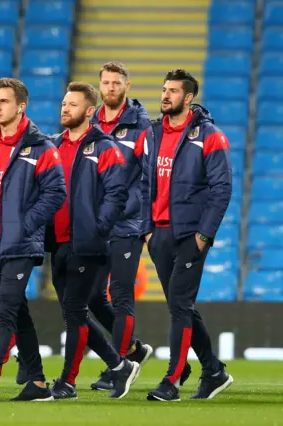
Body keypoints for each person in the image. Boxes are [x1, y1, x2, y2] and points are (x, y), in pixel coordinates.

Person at [0, 78, 66, 402]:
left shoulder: (41, 148)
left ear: (21, 106)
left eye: (3, 101)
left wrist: (25, 225)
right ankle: (36, 382)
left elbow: (56, 193)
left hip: (19, 243)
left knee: (4, 308)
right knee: (17, 311)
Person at [140, 70, 234, 401]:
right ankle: (213, 370)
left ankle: (172, 380)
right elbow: (142, 183)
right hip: (159, 234)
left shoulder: (210, 136)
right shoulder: (152, 133)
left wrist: (204, 236)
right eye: (164, 89)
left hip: (190, 235)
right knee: (182, 307)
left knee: (180, 305)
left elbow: (221, 189)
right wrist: (147, 230)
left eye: (173, 91)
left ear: (188, 97)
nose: (165, 95)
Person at [46, 82, 139, 400]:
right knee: (76, 314)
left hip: (90, 244)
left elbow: (117, 193)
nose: (64, 109)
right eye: (63, 103)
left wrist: (98, 229)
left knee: (75, 310)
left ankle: (67, 382)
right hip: (58, 243)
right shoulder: (54, 145)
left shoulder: (104, 147)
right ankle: (119, 366)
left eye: (72, 105)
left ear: (89, 111)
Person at [88, 62, 154, 391]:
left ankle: (118, 367)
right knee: (91, 297)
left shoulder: (142, 126)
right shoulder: (90, 122)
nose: (110, 88)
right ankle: (133, 352)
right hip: (95, 224)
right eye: (106, 83)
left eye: (116, 83)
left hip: (128, 223)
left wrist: (143, 217)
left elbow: (151, 177)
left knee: (121, 293)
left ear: (127, 86)